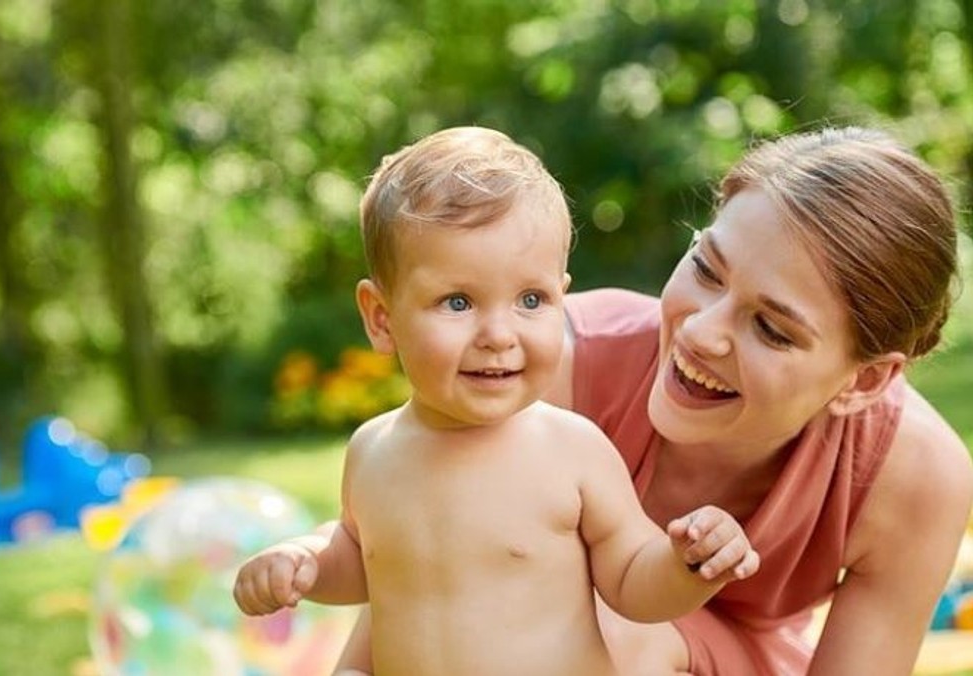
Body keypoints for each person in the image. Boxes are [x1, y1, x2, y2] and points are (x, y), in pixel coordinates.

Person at [327, 126, 973, 675]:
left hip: (709, 657)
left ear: (861, 382)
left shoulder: (916, 474)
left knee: (620, 628)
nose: (699, 331)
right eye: (706, 268)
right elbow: (415, 571)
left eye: (771, 328)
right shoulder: (544, 366)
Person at [232, 126, 760, 675]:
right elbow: (363, 560)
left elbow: (631, 579)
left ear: (563, 294)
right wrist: (306, 563)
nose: (499, 334)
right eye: (457, 302)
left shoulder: (571, 450)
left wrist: (686, 566)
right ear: (381, 318)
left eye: (531, 299)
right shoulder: (374, 450)